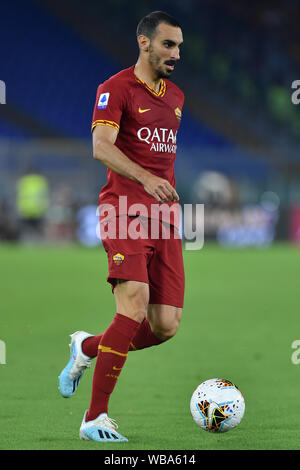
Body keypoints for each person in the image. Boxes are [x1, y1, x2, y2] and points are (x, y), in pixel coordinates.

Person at [59, 10, 185, 442]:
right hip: (124, 211)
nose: (176, 53)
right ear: (144, 42)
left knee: (165, 325)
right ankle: (94, 417)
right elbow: (100, 147)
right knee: (131, 308)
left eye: (180, 46)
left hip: (165, 220)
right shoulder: (115, 89)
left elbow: (160, 158)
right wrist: (146, 179)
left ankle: (86, 347)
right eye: (168, 44)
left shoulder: (177, 97)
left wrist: (164, 187)